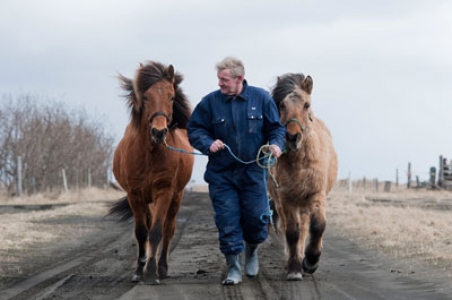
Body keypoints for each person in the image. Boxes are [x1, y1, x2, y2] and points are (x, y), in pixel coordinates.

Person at [187, 56, 286, 285]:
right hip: (222, 174)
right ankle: (233, 267)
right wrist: (207, 143)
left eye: (224, 80)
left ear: (239, 78)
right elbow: (194, 129)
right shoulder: (210, 103)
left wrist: (276, 145)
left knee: (256, 219)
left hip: (253, 172)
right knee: (227, 220)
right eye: (219, 80)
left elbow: (276, 129)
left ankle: (251, 251)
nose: (220, 84)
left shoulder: (261, 99)